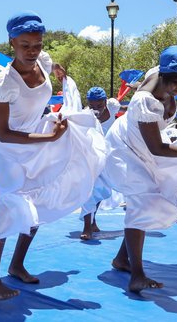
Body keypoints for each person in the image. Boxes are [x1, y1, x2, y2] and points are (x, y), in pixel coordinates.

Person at [0, 12, 107, 300]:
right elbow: (3, 133)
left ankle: (17, 264)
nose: (32, 51)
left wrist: (60, 78)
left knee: (39, 196)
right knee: (12, 199)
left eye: (37, 44)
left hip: (34, 133)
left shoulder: (44, 60)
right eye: (25, 45)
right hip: (6, 143)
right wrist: (49, 137)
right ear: (11, 42)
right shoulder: (4, 81)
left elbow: (53, 66)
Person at [103, 46, 177, 293]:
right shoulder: (144, 101)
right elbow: (158, 148)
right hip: (124, 147)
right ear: (166, 77)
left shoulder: (161, 71)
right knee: (143, 198)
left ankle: (122, 259)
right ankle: (136, 275)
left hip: (143, 144)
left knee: (150, 197)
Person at [80, 86, 123, 240]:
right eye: (92, 105)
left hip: (109, 155)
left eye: (99, 105)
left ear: (105, 101)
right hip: (91, 156)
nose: (95, 108)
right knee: (90, 190)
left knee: (101, 190)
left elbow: (125, 108)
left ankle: (93, 220)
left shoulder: (112, 106)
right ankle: (86, 227)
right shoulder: (85, 115)